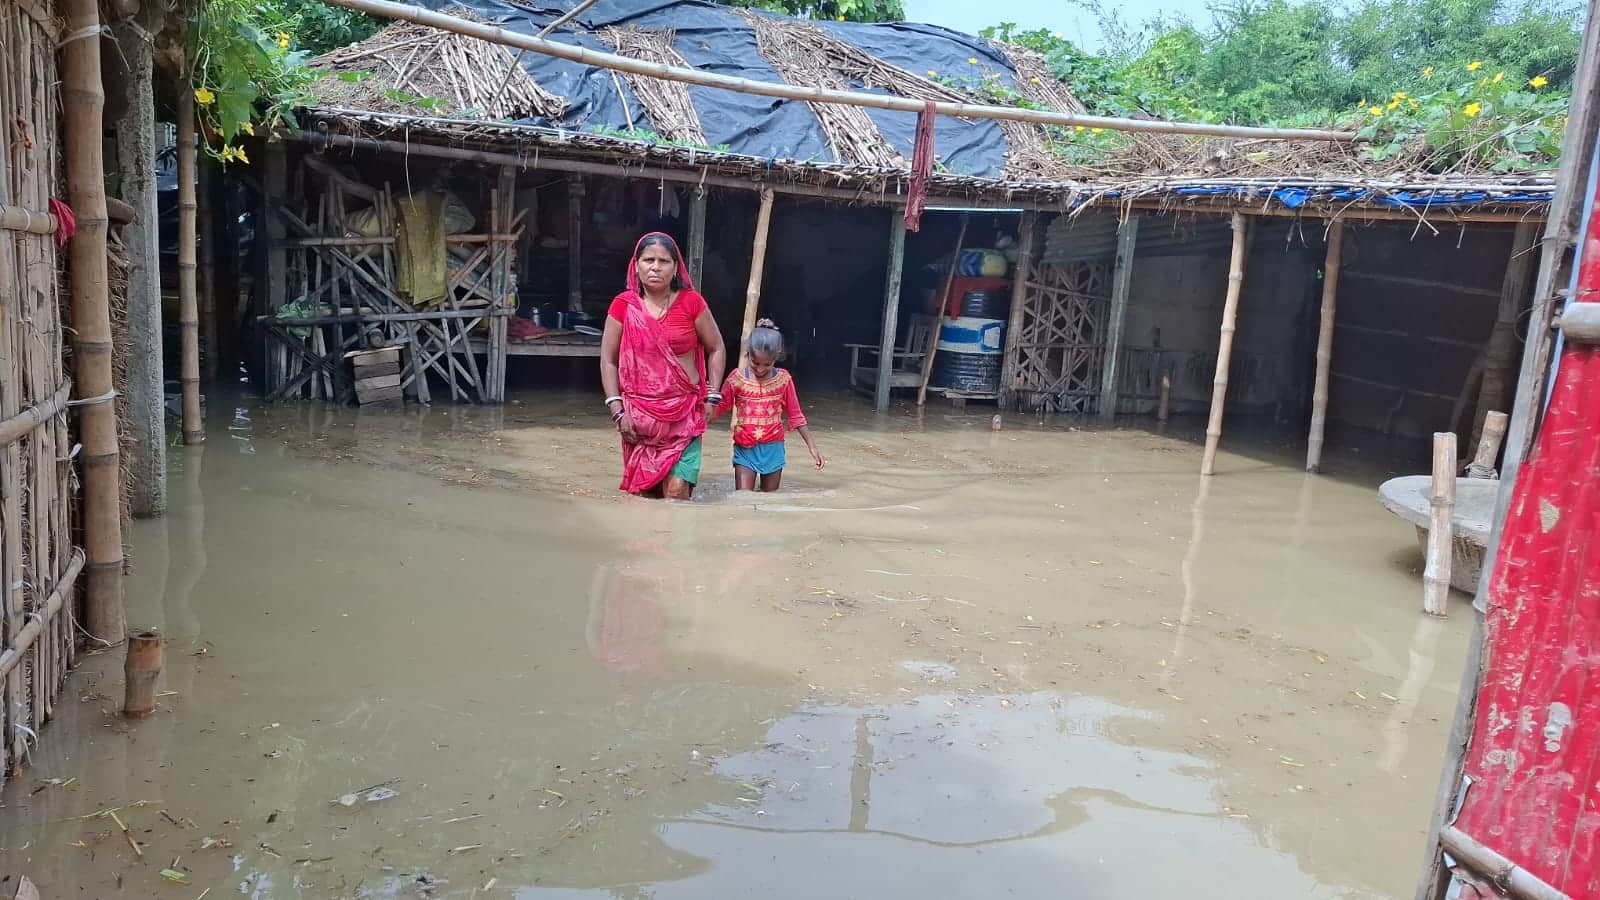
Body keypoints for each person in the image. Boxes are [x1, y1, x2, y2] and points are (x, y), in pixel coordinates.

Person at [600, 233, 727, 499]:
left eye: (663, 261)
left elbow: (716, 348)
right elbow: (608, 360)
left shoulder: (692, 303)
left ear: (675, 267)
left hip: (685, 414)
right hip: (638, 419)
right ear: (636, 265)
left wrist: (713, 397)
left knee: (677, 491)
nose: (655, 267)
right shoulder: (623, 306)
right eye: (648, 260)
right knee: (646, 497)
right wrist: (617, 411)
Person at [713, 320, 824, 492]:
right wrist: (701, 411)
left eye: (767, 364)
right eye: (755, 363)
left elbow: (796, 416)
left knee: (769, 500)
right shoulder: (736, 379)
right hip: (745, 449)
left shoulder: (784, 380)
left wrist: (812, 447)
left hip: (773, 448)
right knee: (743, 499)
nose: (760, 369)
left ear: (777, 358)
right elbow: (718, 409)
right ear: (748, 354)